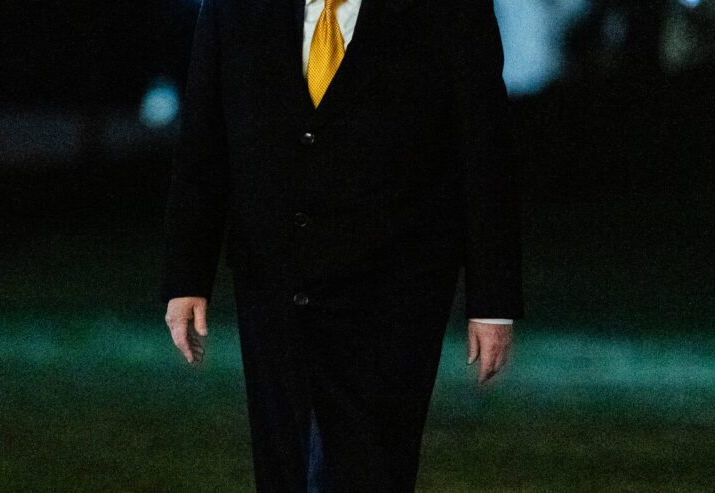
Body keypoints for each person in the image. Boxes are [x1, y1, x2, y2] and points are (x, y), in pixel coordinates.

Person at [159, 0, 523, 490]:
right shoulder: (237, 8)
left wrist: (493, 301)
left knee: (367, 465)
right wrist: (186, 275)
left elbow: (485, 153)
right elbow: (203, 141)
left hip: (394, 292)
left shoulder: (449, 10)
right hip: (274, 286)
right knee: (288, 465)